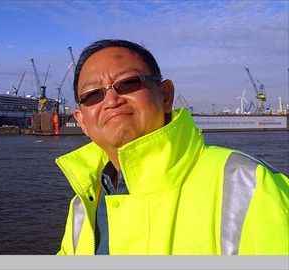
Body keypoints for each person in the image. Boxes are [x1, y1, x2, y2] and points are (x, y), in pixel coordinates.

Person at [55, 39, 288, 255]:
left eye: (128, 83)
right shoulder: (82, 207)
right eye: (93, 94)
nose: (112, 100)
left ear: (165, 95)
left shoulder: (249, 184)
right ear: (82, 121)